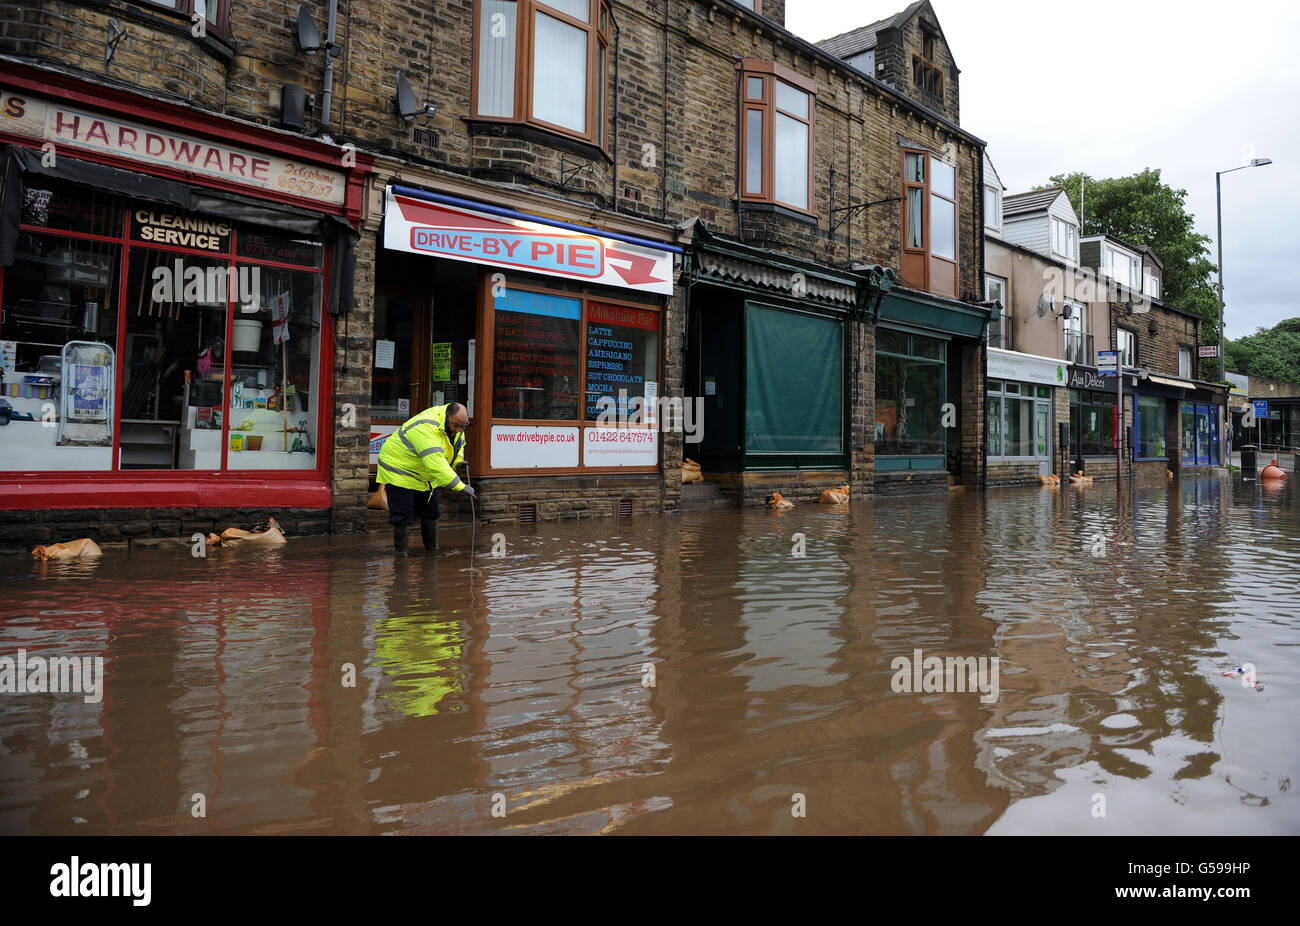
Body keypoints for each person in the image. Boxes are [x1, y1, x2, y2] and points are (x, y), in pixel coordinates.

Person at [376, 402, 474, 557]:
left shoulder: (457, 426)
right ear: (447, 417)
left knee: (432, 511)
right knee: (403, 514)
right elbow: (436, 464)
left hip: (424, 474)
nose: (458, 430)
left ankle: (432, 551)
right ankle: (401, 555)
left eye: (463, 427)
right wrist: (460, 486)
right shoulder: (425, 427)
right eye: (456, 426)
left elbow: (456, 449)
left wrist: (458, 463)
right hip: (400, 470)